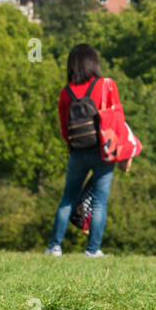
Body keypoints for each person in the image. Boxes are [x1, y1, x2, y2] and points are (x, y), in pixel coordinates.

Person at [44, 44, 131, 258]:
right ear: (94, 62)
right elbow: (118, 121)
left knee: (68, 198)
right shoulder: (106, 85)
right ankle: (92, 250)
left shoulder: (66, 92)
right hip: (104, 151)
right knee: (99, 202)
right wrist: (124, 152)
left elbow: (64, 126)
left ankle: (54, 247)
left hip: (77, 152)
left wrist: (73, 146)